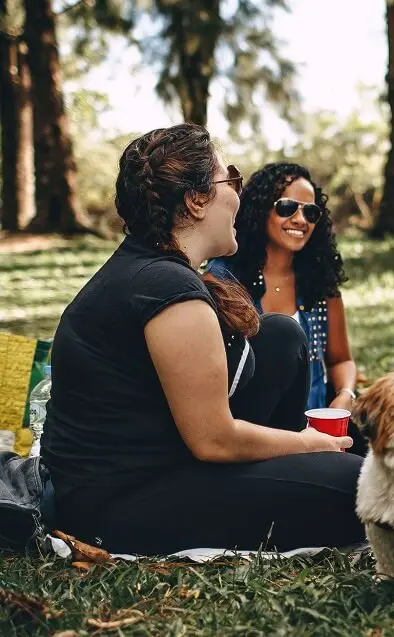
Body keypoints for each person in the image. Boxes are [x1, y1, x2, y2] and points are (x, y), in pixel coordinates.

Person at [42, 124, 365, 555]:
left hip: (165, 457)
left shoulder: (155, 268)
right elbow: (214, 440)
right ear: (196, 201)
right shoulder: (166, 288)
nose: (238, 194)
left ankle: (302, 471)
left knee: (281, 335)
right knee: (359, 487)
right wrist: (311, 443)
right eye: (229, 179)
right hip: (119, 503)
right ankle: (310, 472)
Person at [205, 163, 356, 413]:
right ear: (260, 209)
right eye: (287, 207)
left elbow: (341, 359)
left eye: (311, 212)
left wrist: (345, 395)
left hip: (316, 429)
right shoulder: (222, 280)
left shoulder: (319, 282)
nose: (300, 220)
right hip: (251, 431)